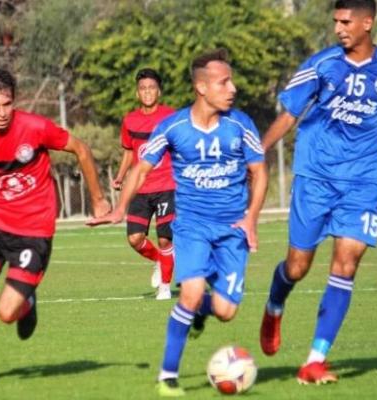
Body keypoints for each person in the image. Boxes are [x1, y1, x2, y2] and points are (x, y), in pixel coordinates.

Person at [88, 49, 267, 396]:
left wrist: (251, 218)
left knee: (225, 311)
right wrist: (120, 208)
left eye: (231, 81)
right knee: (191, 292)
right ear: (202, 87)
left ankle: (201, 311)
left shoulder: (241, 124)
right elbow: (141, 167)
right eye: (224, 82)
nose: (232, 89)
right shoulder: (174, 126)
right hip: (192, 226)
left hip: (232, 230)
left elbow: (259, 172)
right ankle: (168, 376)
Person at [258, 0, 377, 385]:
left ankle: (315, 360)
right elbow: (288, 115)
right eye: (336, 21)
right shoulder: (321, 65)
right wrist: (256, 153)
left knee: (347, 263)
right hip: (314, 176)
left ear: (368, 23)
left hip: (361, 183)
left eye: (346, 21)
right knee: (297, 267)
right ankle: (275, 303)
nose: (338, 29)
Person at [0, 67, 111, 384]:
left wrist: (99, 199)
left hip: (33, 229)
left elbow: (81, 148)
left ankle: (28, 301)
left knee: (6, 313)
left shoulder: (34, 127)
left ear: (14, 101)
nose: (2, 113)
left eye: (7, 104)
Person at [112, 68, 176, 300]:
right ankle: (160, 260)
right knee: (135, 239)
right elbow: (129, 152)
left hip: (167, 186)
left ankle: (165, 288)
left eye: (151, 88)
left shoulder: (171, 117)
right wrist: (121, 176)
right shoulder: (130, 120)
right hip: (140, 186)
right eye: (143, 88)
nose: (147, 92)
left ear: (159, 91)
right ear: (137, 93)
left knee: (165, 238)